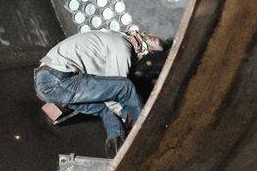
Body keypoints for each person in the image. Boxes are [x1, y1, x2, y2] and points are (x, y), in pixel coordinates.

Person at [35, 28, 164, 156]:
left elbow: (106, 88)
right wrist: (127, 116)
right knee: (125, 87)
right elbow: (120, 90)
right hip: (55, 79)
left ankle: (118, 148)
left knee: (103, 109)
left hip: (47, 81)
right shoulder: (121, 46)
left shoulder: (109, 36)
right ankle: (151, 133)